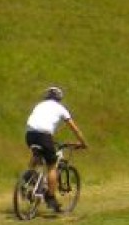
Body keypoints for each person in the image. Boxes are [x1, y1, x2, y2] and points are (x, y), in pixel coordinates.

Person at [25, 85, 88, 213]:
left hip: (30, 134)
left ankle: (29, 177)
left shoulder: (40, 105)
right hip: (44, 135)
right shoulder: (60, 108)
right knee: (52, 166)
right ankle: (50, 198)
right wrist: (83, 143)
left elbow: (39, 122)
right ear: (59, 98)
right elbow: (73, 128)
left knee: (37, 154)